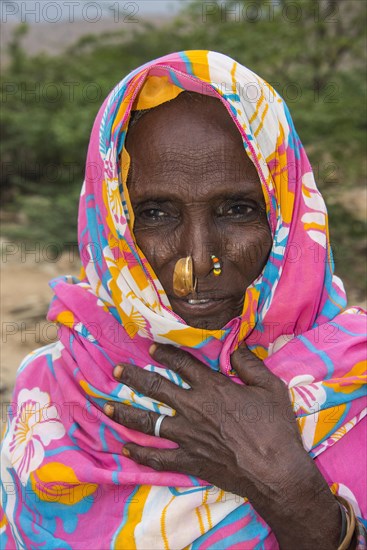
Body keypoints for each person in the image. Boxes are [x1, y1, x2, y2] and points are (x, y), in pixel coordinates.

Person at [1, 51, 366, 549]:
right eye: (154, 213)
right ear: (110, 221)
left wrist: (292, 493)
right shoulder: (53, 389)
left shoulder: (356, 383)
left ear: (287, 213)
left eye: (237, 209)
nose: (197, 259)